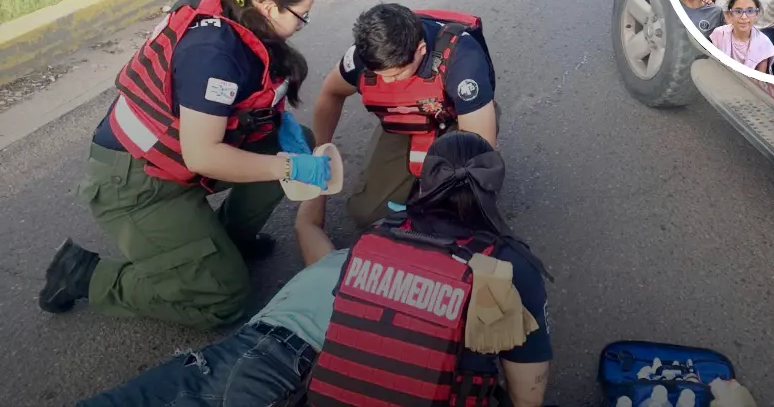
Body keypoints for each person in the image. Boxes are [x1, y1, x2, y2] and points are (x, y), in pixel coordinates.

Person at [77, 131, 553, 407]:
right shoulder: (499, 267)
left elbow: (310, 233)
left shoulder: (372, 247)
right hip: (279, 360)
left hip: (268, 354)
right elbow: (526, 389)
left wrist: (315, 179)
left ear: (423, 185)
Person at [39, 0, 334, 330]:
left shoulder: (236, 12)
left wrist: (285, 137)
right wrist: (288, 166)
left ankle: (226, 244)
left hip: (172, 157)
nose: (301, 24)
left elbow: (240, 106)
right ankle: (84, 275)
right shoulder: (214, 55)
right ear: (266, 5)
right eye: (300, 16)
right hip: (135, 182)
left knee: (293, 141)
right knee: (223, 300)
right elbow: (202, 155)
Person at [311, 2, 498, 227]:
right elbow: (331, 93)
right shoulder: (365, 54)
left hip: (457, 121)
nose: (388, 82)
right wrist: (319, 154)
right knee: (367, 215)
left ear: (420, 50)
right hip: (404, 121)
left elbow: (479, 145)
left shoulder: (462, 57)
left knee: (456, 215)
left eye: (396, 74)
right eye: (380, 75)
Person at [711, 0, 774, 73]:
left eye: (750, 11)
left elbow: (759, 80)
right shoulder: (719, 34)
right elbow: (712, 68)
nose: (743, 17)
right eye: (738, 11)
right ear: (730, 14)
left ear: (756, 14)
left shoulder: (763, 42)